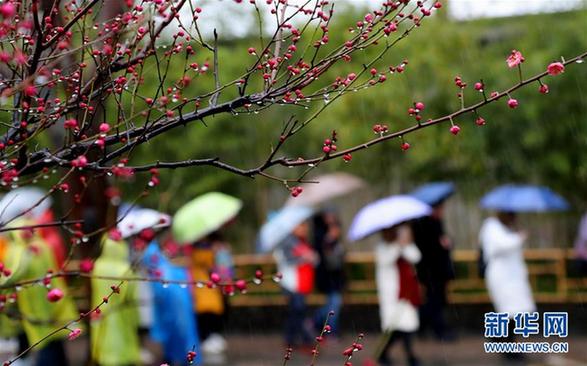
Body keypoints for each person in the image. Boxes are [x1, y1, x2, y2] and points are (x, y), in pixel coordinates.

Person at [479, 212, 536, 360]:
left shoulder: (506, 229)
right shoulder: (492, 227)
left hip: (512, 278)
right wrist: (519, 237)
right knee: (507, 314)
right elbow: (502, 245)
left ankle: (501, 339)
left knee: (513, 313)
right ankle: (507, 347)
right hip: (502, 278)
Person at [144, 238, 201, 366]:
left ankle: (179, 358)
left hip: (175, 307)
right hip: (178, 306)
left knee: (180, 334)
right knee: (182, 334)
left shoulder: (166, 268)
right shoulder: (170, 268)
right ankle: (182, 358)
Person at [374, 224, 421, 366]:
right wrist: (398, 246)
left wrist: (404, 244)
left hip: (406, 294)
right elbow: (386, 260)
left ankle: (410, 356)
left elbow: (416, 256)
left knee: (406, 327)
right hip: (390, 296)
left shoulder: (405, 246)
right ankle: (385, 355)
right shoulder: (382, 247)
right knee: (394, 328)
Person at [91, 234, 141, 366]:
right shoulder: (125, 270)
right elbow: (132, 298)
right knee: (122, 353)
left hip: (100, 316)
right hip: (122, 319)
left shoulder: (97, 266)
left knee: (104, 352)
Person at [412, 201, 455, 340]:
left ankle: (422, 326)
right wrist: (440, 245)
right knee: (434, 300)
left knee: (436, 300)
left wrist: (446, 244)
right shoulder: (423, 224)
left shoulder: (436, 223)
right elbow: (426, 249)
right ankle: (438, 330)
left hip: (439, 271)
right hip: (430, 271)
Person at [274, 221, 318, 348]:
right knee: (297, 311)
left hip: (301, 283)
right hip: (291, 283)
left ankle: (292, 338)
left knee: (297, 312)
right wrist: (305, 258)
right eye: (301, 226)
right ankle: (303, 339)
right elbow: (288, 261)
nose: (304, 229)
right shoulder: (287, 242)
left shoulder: (302, 241)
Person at [189, 232, 230, 361]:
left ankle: (208, 338)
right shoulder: (206, 252)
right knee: (208, 313)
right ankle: (206, 338)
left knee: (208, 313)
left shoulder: (200, 250)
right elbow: (213, 268)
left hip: (204, 285)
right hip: (205, 285)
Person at [312, 210, 345, 337]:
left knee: (332, 305)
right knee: (333, 305)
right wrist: (329, 241)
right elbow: (330, 261)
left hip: (336, 278)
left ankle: (314, 322)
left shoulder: (335, 239)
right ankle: (331, 331)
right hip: (327, 278)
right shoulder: (321, 237)